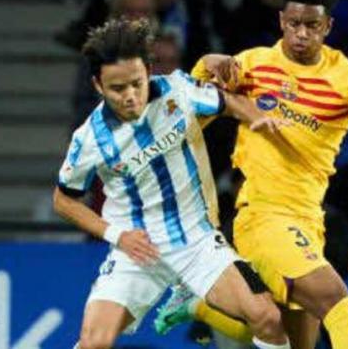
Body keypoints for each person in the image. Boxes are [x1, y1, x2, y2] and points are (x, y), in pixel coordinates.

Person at [156, 0, 348, 349]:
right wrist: (205, 65)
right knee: (340, 305)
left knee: (280, 335)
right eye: (293, 23)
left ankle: (201, 306)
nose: (301, 34)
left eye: (312, 25)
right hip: (262, 216)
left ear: (328, 25)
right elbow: (191, 108)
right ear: (281, 21)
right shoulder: (252, 65)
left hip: (309, 220)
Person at [52, 18, 292, 349]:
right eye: (117, 89)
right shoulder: (90, 139)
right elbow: (63, 200)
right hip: (137, 251)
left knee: (267, 318)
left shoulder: (177, 91)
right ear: (97, 85)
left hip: (197, 241)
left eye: (137, 83)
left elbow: (226, 102)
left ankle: (192, 300)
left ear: (148, 71)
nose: (131, 97)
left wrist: (257, 118)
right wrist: (116, 235)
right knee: (94, 343)